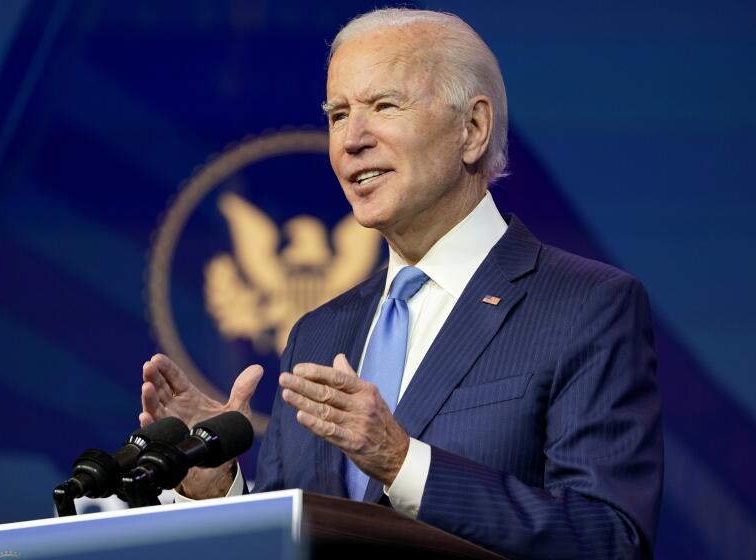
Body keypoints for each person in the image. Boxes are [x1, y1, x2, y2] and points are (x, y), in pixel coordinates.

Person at [140, 8, 663, 559]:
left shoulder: (586, 305)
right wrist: (216, 484)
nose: (351, 140)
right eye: (338, 114)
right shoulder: (317, 333)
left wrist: (400, 461)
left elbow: (609, 539)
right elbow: (294, 528)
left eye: (384, 106)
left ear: (473, 129)